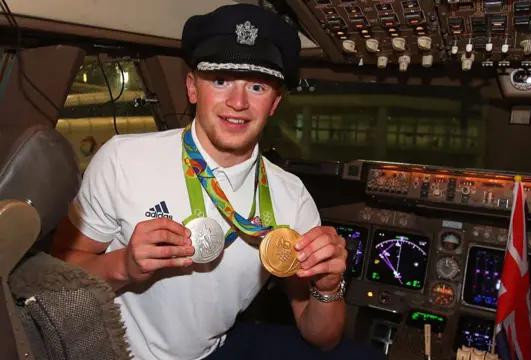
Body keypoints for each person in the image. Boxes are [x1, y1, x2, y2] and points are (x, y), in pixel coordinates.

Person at [51, 3, 386, 360]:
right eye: (221, 81)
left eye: (257, 86)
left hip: (212, 351)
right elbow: (58, 275)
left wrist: (328, 286)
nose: (237, 102)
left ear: (274, 103)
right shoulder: (123, 160)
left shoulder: (293, 199)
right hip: (114, 351)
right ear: (193, 88)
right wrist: (124, 266)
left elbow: (321, 337)